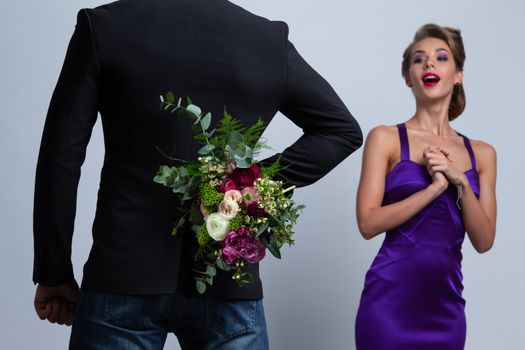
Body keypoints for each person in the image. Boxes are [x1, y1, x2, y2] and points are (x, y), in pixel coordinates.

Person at [33, 0, 362, 349]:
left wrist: (54, 271)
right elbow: (341, 131)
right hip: (226, 276)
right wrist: (242, 186)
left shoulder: (104, 27)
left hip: (123, 273)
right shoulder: (266, 38)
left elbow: (61, 157)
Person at [354, 23, 497, 349]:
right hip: (388, 306)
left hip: (446, 309)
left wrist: (458, 180)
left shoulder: (483, 153)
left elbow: (484, 239)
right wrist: (433, 188)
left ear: (458, 74)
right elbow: (367, 223)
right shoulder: (385, 138)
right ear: (408, 76)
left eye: (441, 57)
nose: (429, 64)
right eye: (419, 59)